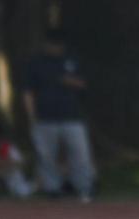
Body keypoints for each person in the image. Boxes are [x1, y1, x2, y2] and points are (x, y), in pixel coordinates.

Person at [22, 28, 93, 200]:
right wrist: (32, 117)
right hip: (45, 117)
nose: (55, 48)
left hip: (72, 116)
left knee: (80, 154)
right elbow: (28, 92)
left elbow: (85, 84)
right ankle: (52, 189)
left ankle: (83, 187)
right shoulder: (36, 63)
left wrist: (71, 81)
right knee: (47, 156)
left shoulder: (72, 60)